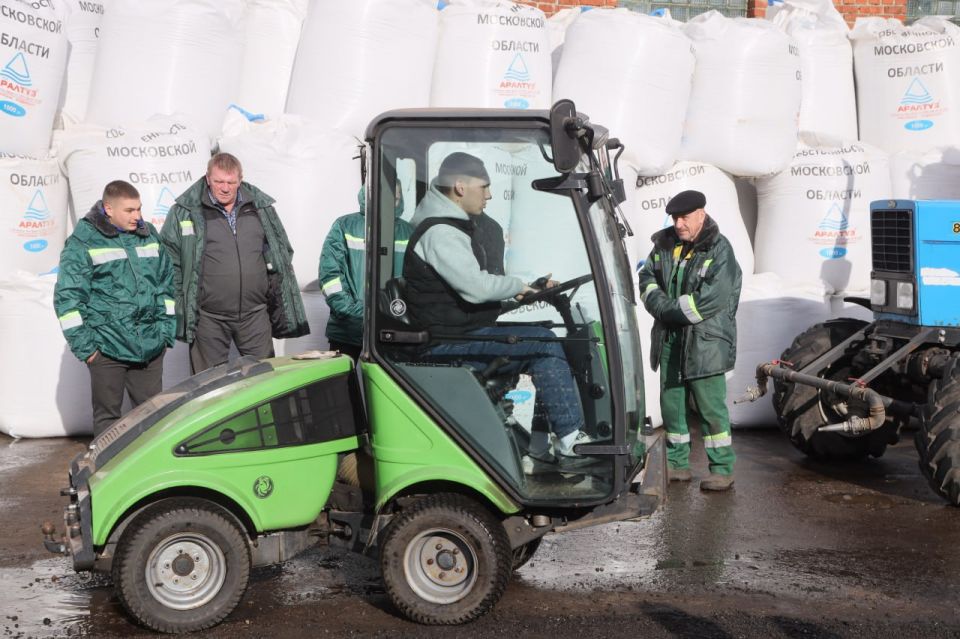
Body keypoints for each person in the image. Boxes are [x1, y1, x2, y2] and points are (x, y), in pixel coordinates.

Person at [403, 151, 593, 467]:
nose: (490, 194)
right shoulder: (441, 232)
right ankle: (571, 441)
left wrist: (527, 290)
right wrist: (517, 285)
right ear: (461, 187)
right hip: (448, 342)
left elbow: (463, 292)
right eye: (485, 186)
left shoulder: (450, 227)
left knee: (542, 336)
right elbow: (475, 288)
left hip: (457, 329)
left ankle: (540, 446)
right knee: (543, 345)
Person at [160, 153, 308, 374]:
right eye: (219, 181)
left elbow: (281, 250)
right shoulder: (186, 211)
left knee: (263, 379)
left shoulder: (260, 208)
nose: (225, 188)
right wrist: (185, 303)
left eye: (231, 182)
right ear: (208, 178)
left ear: (240, 180)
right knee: (208, 384)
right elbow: (170, 260)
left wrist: (271, 289)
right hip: (208, 317)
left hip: (255, 314)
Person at [638, 189, 742, 491]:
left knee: (710, 408)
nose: (678, 223)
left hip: (705, 342)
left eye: (684, 217)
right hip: (671, 338)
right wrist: (658, 303)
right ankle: (678, 465)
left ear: (701, 214)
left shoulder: (720, 250)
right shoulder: (664, 244)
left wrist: (666, 309)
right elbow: (647, 278)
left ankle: (722, 468)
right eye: (674, 217)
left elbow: (710, 301)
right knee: (672, 405)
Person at [54, 180, 176, 437]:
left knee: (153, 419)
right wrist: (89, 350)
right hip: (108, 349)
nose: (137, 216)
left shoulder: (149, 236)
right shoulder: (83, 242)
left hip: (150, 346)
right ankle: (107, 474)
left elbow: (166, 285)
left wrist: (165, 332)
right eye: (129, 210)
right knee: (109, 423)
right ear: (108, 209)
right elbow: (68, 301)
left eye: (139, 209)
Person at [319, 186, 413, 360]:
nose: (391, 201)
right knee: (344, 384)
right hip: (348, 328)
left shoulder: (409, 232)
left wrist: (397, 314)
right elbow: (330, 276)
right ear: (370, 192)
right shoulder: (345, 226)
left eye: (396, 197)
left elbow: (416, 281)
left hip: (394, 330)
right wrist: (354, 312)